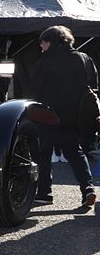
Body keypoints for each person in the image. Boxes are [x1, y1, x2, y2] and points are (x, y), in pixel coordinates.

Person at [29, 25, 98, 208]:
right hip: (74, 117)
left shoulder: (44, 62)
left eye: (42, 43)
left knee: (43, 154)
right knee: (76, 153)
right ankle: (88, 190)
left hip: (47, 115)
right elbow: (93, 85)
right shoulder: (84, 59)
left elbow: (34, 91)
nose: (41, 47)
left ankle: (44, 194)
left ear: (50, 42)